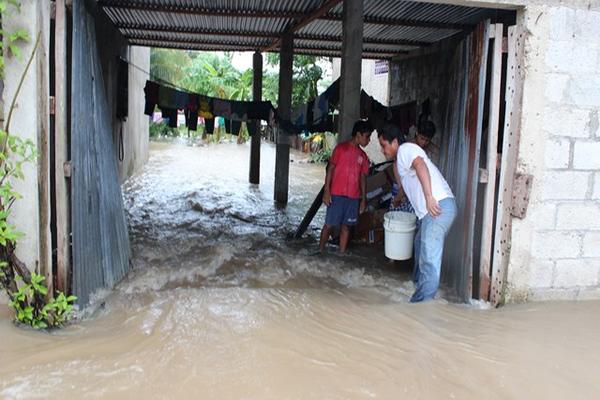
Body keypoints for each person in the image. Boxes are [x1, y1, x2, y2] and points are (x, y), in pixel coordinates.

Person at [378, 123, 456, 302]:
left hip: (437, 207)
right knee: (420, 245)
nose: (382, 150)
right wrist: (399, 197)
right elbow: (408, 184)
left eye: (384, 145)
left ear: (395, 142)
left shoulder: (406, 149)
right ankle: (416, 288)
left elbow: (420, 165)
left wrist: (429, 197)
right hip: (431, 212)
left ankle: (421, 305)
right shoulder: (400, 161)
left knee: (428, 258)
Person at [319, 120, 373, 253]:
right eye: (367, 136)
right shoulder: (340, 149)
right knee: (329, 225)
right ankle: (320, 250)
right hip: (336, 194)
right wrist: (327, 191)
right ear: (358, 135)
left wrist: (363, 199)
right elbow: (330, 169)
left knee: (346, 227)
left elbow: (363, 178)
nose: (369, 140)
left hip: (353, 197)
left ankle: (341, 256)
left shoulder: (363, 156)